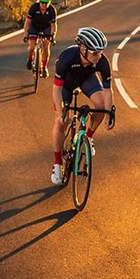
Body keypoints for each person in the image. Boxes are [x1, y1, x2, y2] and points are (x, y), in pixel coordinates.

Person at [50, 26, 115, 185]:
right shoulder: (67, 58)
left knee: (100, 105)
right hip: (66, 84)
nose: (98, 56)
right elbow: (56, 90)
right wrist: (60, 114)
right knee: (61, 122)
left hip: (87, 80)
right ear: (83, 49)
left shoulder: (102, 61)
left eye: (100, 52)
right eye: (95, 53)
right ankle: (57, 164)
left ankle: (89, 137)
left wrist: (108, 114)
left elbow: (107, 91)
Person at [22, 0, 57, 77]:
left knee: (46, 45)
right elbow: (27, 22)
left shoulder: (52, 10)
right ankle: (30, 58)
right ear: (39, 1)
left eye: (46, 3)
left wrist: (53, 36)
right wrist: (26, 34)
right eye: (42, 2)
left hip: (46, 27)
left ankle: (44, 67)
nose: (44, 4)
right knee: (32, 47)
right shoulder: (33, 8)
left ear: (49, 2)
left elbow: (53, 25)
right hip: (34, 27)